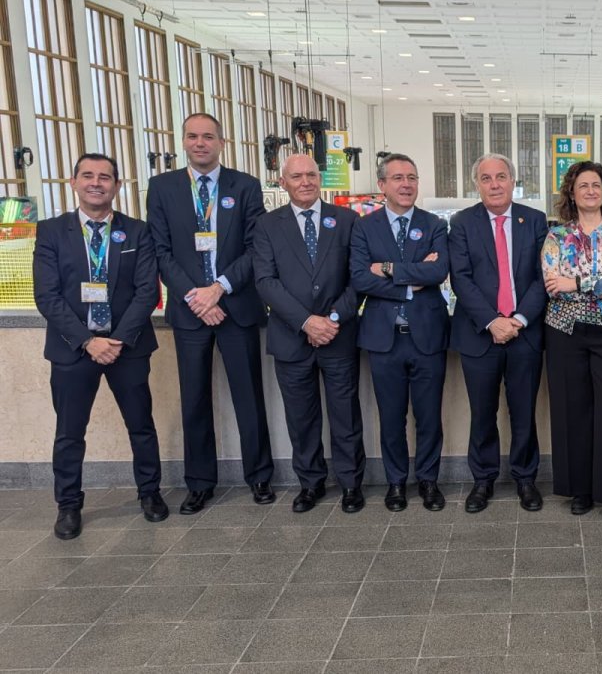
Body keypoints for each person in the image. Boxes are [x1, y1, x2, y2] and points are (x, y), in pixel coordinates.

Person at [33, 153, 167, 539]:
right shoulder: (52, 231)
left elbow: (147, 292)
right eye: (88, 176)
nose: (96, 183)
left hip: (128, 347)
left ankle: (150, 492)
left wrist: (117, 340)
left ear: (117, 186)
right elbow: (47, 296)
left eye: (105, 177)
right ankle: (68, 505)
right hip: (73, 348)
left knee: (141, 425)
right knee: (69, 432)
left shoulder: (137, 232)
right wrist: (88, 341)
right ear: (74, 182)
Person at [147, 112, 273, 514]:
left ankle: (260, 476)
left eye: (207, 136)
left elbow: (256, 247)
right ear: (184, 141)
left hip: (236, 306)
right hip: (190, 313)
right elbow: (160, 251)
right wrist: (195, 297)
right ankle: (199, 483)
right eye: (192, 136)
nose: (200, 143)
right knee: (195, 399)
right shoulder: (162, 188)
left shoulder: (245, 186)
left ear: (221, 142)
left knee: (249, 396)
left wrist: (219, 289)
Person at [253, 154, 365, 514]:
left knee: (345, 415)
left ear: (320, 179)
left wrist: (330, 319)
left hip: (338, 335)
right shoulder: (267, 225)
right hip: (291, 339)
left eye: (312, 175)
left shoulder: (346, 220)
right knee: (301, 419)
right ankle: (311, 483)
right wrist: (306, 322)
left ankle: (351, 484)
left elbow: (357, 279)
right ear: (282, 182)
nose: (305, 182)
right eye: (297, 176)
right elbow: (265, 281)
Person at [448, 153, 548, 514]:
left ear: (513, 181)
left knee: (524, 412)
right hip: (480, 334)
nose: (494, 184)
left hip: (525, 333)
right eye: (486, 178)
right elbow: (461, 278)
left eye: (501, 177)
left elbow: (544, 276)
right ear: (477, 184)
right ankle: (483, 480)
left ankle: (525, 479)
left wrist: (518, 319)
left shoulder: (534, 220)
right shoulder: (462, 223)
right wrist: (493, 321)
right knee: (482, 413)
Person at [541, 161, 602, 527]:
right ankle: (579, 489)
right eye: (583, 185)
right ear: (571, 192)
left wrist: (578, 283)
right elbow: (553, 284)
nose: (590, 191)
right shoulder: (556, 237)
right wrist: (598, 283)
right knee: (572, 410)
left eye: (596, 185)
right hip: (565, 332)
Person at [351, 153, 450, 513]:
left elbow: (438, 272)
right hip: (384, 339)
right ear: (382, 185)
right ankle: (396, 482)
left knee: (429, 417)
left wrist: (387, 269)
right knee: (391, 418)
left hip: (427, 336)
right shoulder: (364, 227)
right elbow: (360, 278)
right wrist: (411, 282)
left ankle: (428, 480)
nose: (406, 184)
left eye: (412, 177)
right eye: (397, 178)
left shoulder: (434, 224)